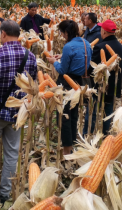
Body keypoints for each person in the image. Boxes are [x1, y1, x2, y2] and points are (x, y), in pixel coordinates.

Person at [0, 21, 37, 205]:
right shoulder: (30, 56)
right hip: (17, 114)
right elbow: (33, 86)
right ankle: (5, 193)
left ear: (3, 34)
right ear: (18, 34)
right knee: (12, 153)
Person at [47, 20, 92, 156]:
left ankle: (66, 149)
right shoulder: (86, 43)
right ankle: (72, 143)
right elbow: (82, 59)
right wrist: (62, 56)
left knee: (63, 115)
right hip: (79, 82)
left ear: (66, 32)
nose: (61, 35)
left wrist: (54, 62)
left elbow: (62, 70)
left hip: (66, 82)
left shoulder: (68, 47)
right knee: (73, 114)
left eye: (62, 33)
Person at [83, 20, 122, 135]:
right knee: (108, 112)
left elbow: (93, 68)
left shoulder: (100, 47)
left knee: (92, 111)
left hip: (101, 86)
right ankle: (106, 135)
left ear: (104, 31)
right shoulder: (121, 47)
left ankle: (87, 134)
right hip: (114, 86)